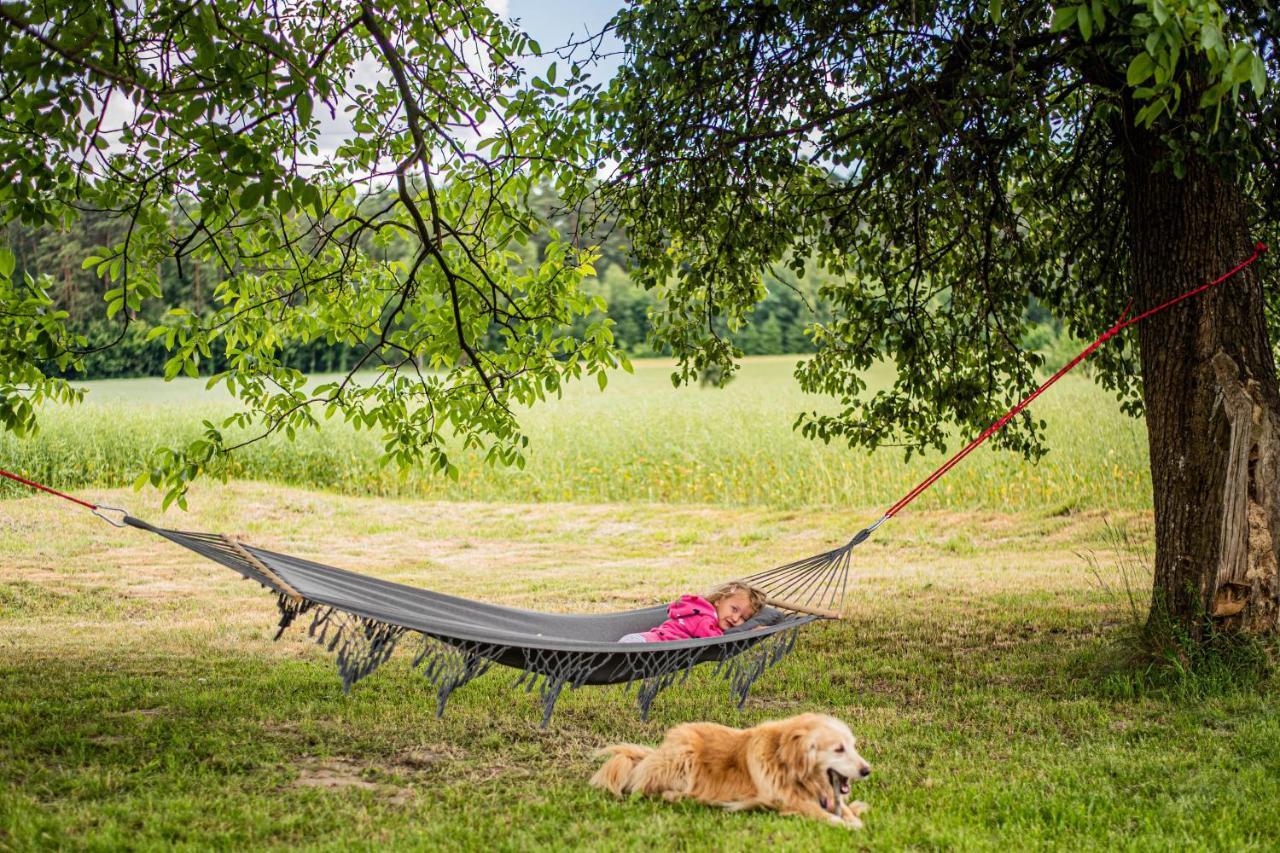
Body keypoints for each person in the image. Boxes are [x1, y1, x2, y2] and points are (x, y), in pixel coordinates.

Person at [618, 581, 766, 643]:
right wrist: (748, 632)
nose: (735, 618)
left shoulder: (700, 611)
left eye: (743, 619)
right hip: (647, 644)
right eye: (734, 609)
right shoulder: (705, 619)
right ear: (719, 601)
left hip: (645, 640)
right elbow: (715, 642)